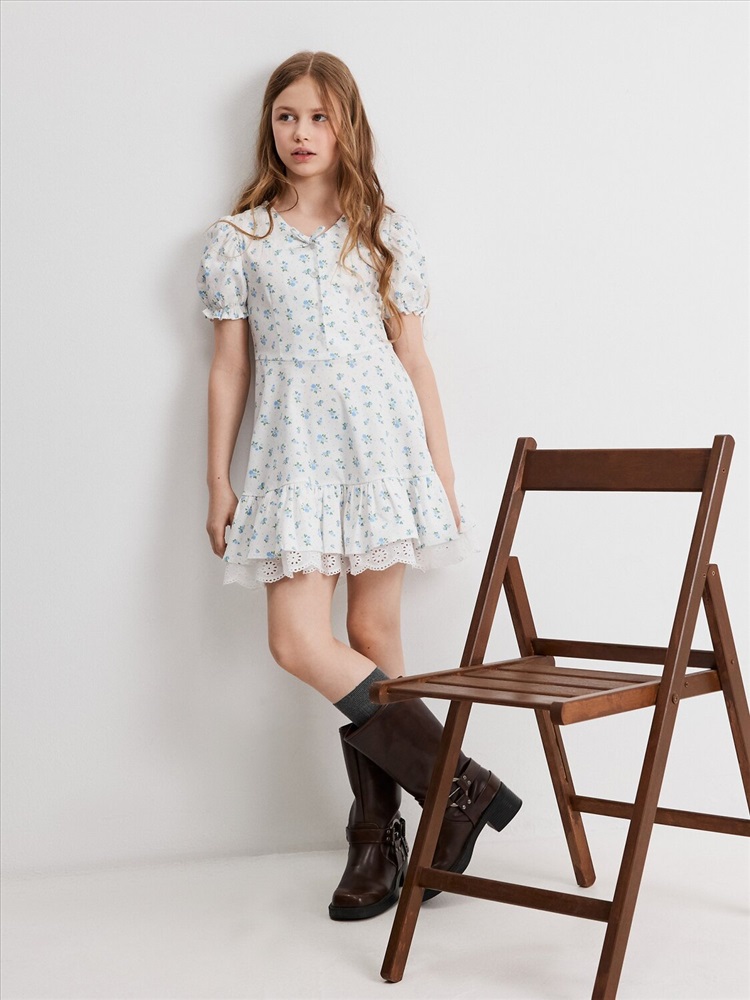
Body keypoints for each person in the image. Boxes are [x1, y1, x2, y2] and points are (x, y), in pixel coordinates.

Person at [197, 50, 522, 922]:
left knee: (375, 633)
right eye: (286, 117)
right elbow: (230, 367)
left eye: (319, 117)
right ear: (269, 128)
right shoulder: (241, 239)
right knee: (298, 640)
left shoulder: (383, 230)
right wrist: (218, 479)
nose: (301, 133)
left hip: (381, 445)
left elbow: (412, 357)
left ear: (347, 128)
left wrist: (439, 470)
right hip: (293, 453)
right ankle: (458, 788)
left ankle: (377, 839)